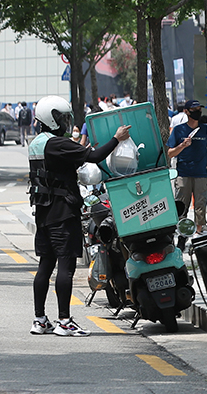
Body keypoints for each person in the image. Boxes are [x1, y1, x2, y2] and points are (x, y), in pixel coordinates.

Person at [29, 95, 131, 336]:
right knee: (65, 267)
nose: (64, 123)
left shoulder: (37, 143)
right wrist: (116, 139)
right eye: (60, 118)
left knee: (45, 266)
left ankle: (40, 319)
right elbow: (94, 157)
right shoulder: (57, 144)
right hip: (62, 214)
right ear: (50, 118)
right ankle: (64, 321)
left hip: (43, 214)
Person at [166, 99, 207, 236]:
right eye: (194, 110)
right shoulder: (179, 130)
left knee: (201, 205)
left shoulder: (205, 129)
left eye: (199, 109)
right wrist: (182, 146)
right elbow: (169, 153)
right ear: (186, 111)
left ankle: (198, 231)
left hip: (202, 173)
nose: (197, 112)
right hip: (183, 173)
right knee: (181, 205)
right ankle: (182, 232)